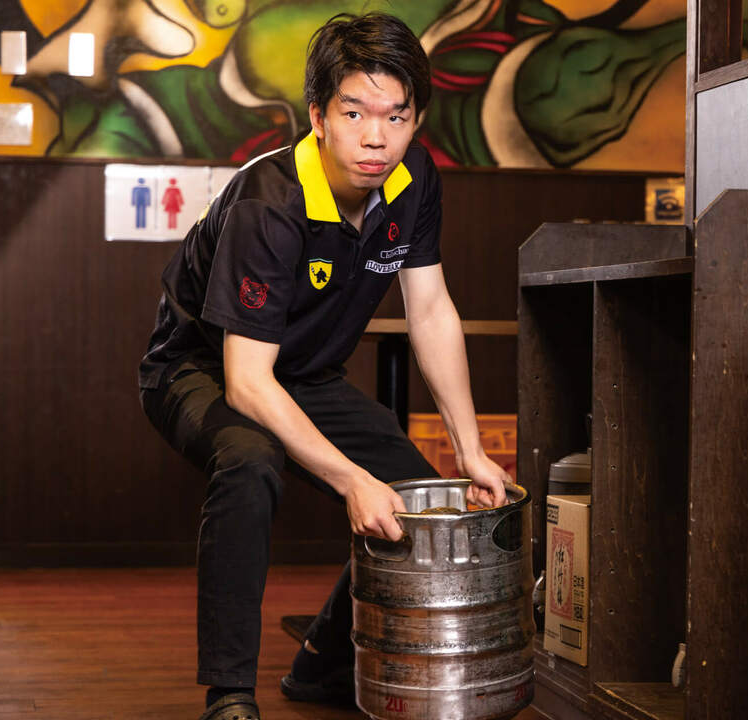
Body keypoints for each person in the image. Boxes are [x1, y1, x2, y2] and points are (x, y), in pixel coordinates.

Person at [137, 13, 509, 720]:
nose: (377, 137)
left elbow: (430, 309)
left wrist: (468, 449)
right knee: (251, 462)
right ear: (318, 116)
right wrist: (350, 480)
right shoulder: (268, 205)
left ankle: (323, 664)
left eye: (397, 116)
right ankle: (229, 694)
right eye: (354, 113)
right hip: (199, 370)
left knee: (418, 498)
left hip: (302, 374)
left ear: (416, 120)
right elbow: (247, 383)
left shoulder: (414, 180)